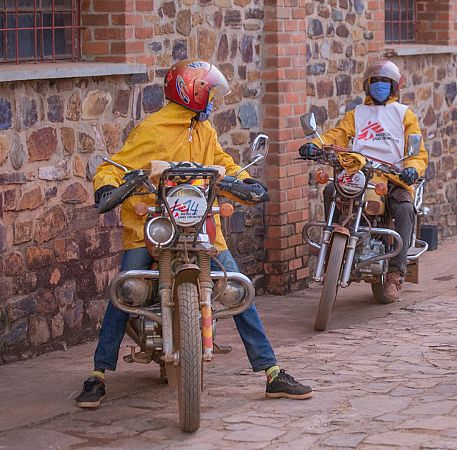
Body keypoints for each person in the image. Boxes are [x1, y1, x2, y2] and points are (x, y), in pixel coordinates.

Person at [75, 59, 313, 408]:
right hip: (152, 228)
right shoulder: (152, 129)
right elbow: (117, 166)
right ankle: (98, 375)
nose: (213, 98)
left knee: (237, 287)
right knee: (125, 289)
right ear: (192, 91)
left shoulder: (204, 130)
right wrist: (107, 187)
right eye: (209, 91)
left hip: (200, 226)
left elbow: (223, 164)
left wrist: (244, 182)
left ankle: (272, 372)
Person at [297, 60, 429, 303]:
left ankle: (395, 273)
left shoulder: (404, 114)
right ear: (367, 86)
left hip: (392, 176)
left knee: (404, 207)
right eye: (375, 81)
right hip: (360, 173)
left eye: (385, 82)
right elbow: (336, 135)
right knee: (331, 191)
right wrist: (314, 146)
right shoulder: (357, 114)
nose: (380, 86)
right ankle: (332, 252)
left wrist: (411, 169)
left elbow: (418, 152)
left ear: (394, 87)